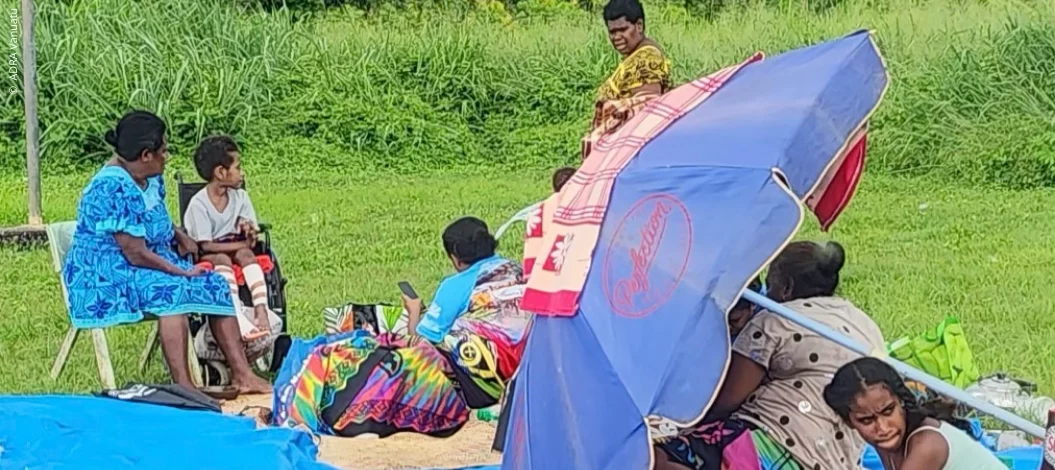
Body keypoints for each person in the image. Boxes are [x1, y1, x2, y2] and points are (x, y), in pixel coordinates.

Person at [62, 110, 270, 394]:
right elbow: (135, 253)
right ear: (146, 155)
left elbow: (155, 217)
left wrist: (178, 233)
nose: (168, 156)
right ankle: (184, 387)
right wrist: (179, 270)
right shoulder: (111, 188)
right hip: (107, 273)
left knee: (214, 283)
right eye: (164, 150)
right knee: (172, 292)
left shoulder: (149, 176)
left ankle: (242, 374)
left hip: (148, 261)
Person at [273, 217, 529, 438]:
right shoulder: (515, 270)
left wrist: (414, 310)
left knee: (374, 348)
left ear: (454, 256)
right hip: (514, 378)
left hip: (472, 383)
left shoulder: (457, 284)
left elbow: (420, 343)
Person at [655, 240, 885, 470]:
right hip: (836, 460)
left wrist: (682, 427)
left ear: (786, 288)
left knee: (654, 457)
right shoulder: (868, 327)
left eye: (770, 285)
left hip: (771, 442)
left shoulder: (775, 321)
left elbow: (727, 400)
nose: (767, 295)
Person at [824, 357, 1007, 470]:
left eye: (888, 411)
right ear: (849, 421)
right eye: (866, 420)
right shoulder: (889, 440)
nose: (882, 427)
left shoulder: (926, 445)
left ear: (902, 403)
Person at [184, 135, 271, 341]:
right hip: (210, 252)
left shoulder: (240, 198)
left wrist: (249, 230)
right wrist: (243, 243)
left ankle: (262, 309)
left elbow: (249, 228)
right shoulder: (199, 204)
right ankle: (237, 317)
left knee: (246, 255)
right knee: (223, 259)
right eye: (238, 168)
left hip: (235, 244)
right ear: (221, 172)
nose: (242, 173)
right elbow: (204, 245)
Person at [583, 0, 672, 159]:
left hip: (630, 152)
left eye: (623, 29)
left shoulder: (645, 59)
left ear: (639, 25)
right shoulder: (635, 56)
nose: (616, 37)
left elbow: (644, 110)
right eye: (612, 32)